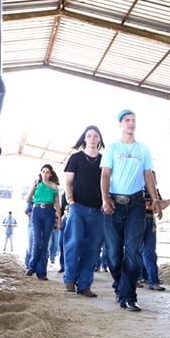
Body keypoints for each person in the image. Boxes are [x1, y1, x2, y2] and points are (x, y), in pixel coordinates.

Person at [101, 109, 166, 312]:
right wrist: (105, 198)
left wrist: (155, 198)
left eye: (133, 121)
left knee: (133, 253)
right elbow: (105, 174)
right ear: (120, 124)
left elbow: (148, 175)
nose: (131, 123)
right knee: (112, 255)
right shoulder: (112, 148)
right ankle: (121, 287)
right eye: (127, 120)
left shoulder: (143, 150)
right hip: (114, 203)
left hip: (136, 204)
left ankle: (129, 296)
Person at [63, 125, 106, 297]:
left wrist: (105, 202)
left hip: (97, 210)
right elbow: (68, 182)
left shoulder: (105, 160)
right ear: (84, 139)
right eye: (89, 135)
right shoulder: (75, 158)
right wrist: (70, 200)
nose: (93, 138)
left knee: (93, 248)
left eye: (96, 136)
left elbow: (108, 183)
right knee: (73, 243)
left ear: (99, 140)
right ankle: (70, 280)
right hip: (77, 207)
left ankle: (85, 284)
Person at [26, 164, 62, 280]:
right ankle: (32, 267)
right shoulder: (37, 184)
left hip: (49, 212)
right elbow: (27, 199)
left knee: (45, 242)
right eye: (43, 171)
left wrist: (59, 220)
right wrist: (34, 186)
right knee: (37, 241)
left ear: (51, 174)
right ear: (40, 173)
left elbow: (57, 204)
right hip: (36, 211)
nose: (45, 174)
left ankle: (41, 272)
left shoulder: (54, 186)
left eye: (47, 172)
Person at [140, 177, 166, 291]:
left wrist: (154, 205)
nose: (154, 180)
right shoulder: (137, 188)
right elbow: (144, 206)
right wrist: (153, 205)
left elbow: (159, 206)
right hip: (138, 221)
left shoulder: (155, 191)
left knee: (150, 252)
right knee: (135, 251)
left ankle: (153, 280)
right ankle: (136, 278)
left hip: (151, 220)